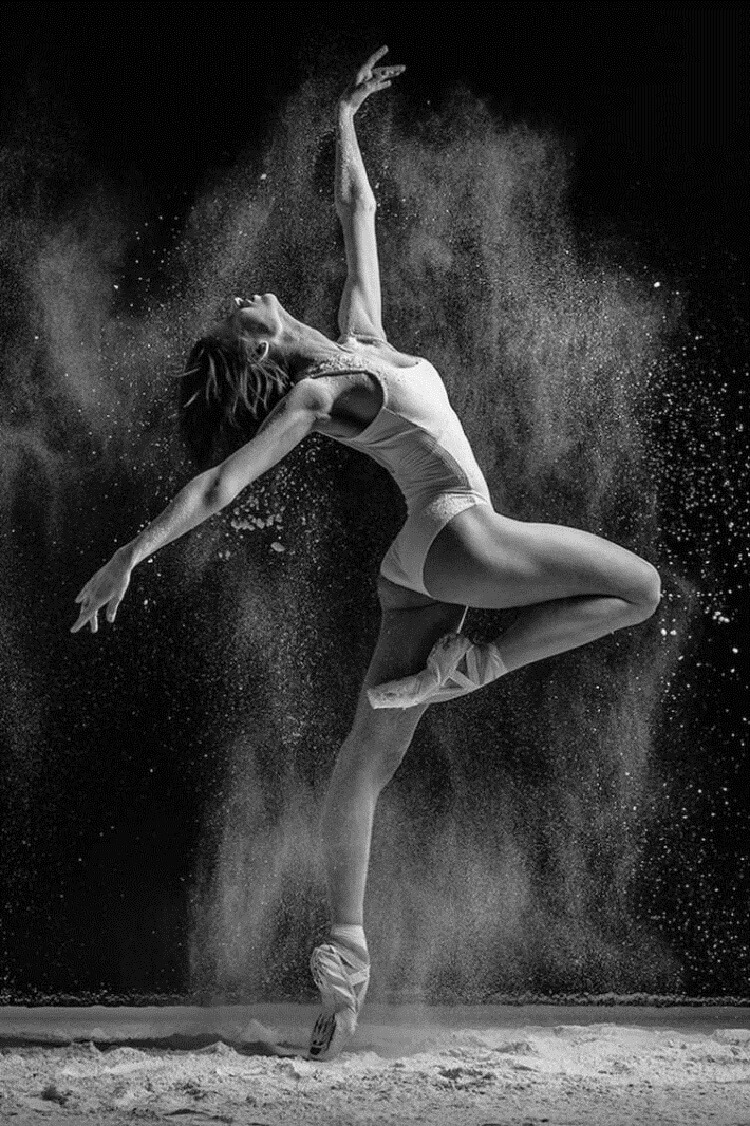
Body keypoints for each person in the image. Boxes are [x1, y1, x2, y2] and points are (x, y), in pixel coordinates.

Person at [71, 47, 661, 1060]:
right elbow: (220, 485)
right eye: (244, 319)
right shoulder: (319, 392)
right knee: (640, 589)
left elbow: (359, 210)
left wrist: (344, 117)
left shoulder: (360, 337)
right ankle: (478, 663)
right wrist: (135, 550)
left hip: (415, 565)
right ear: (264, 353)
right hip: (461, 536)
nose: (250, 298)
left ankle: (342, 968)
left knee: (364, 762)